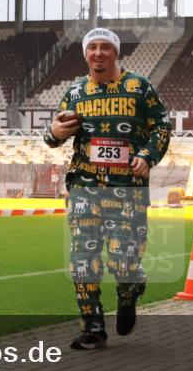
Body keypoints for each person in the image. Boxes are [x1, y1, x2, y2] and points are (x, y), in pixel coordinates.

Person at [44, 27, 171, 350]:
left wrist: (147, 155)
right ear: (85, 54)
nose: (98, 53)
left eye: (105, 47)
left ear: (115, 52)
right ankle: (93, 327)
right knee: (82, 260)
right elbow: (54, 134)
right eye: (92, 48)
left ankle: (131, 291)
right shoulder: (74, 92)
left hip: (127, 189)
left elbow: (161, 126)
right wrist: (54, 132)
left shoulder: (139, 88)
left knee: (124, 263)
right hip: (85, 186)